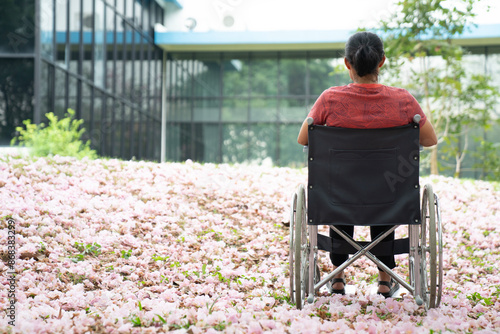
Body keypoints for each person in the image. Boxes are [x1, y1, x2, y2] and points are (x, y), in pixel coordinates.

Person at [297, 31, 437, 298]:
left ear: (347, 63)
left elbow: (303, 137)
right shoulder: (404, 100)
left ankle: (336, 276)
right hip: (390, 197)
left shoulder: (329, 99)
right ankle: (386, 279)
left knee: (338, 182)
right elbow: (430, 139)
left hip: (339, 196)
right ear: (381, 62)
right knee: (387, 183)